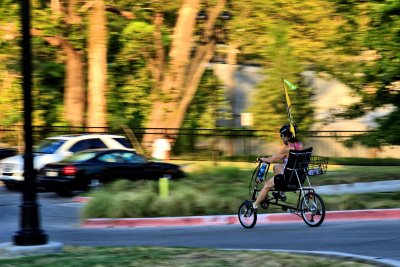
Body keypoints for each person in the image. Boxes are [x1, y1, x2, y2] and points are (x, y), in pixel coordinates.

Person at [252, 124, 303, 210]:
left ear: (287, 137)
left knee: (267, 185)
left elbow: (272, 160)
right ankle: (281, 193)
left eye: (282, 136)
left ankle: (254, 205)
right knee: (276, 167)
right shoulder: (300, 145)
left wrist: (260, 158)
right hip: (298, 176)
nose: (282, 138)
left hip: (289, 177)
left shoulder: (287, 148)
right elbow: (285, 157)